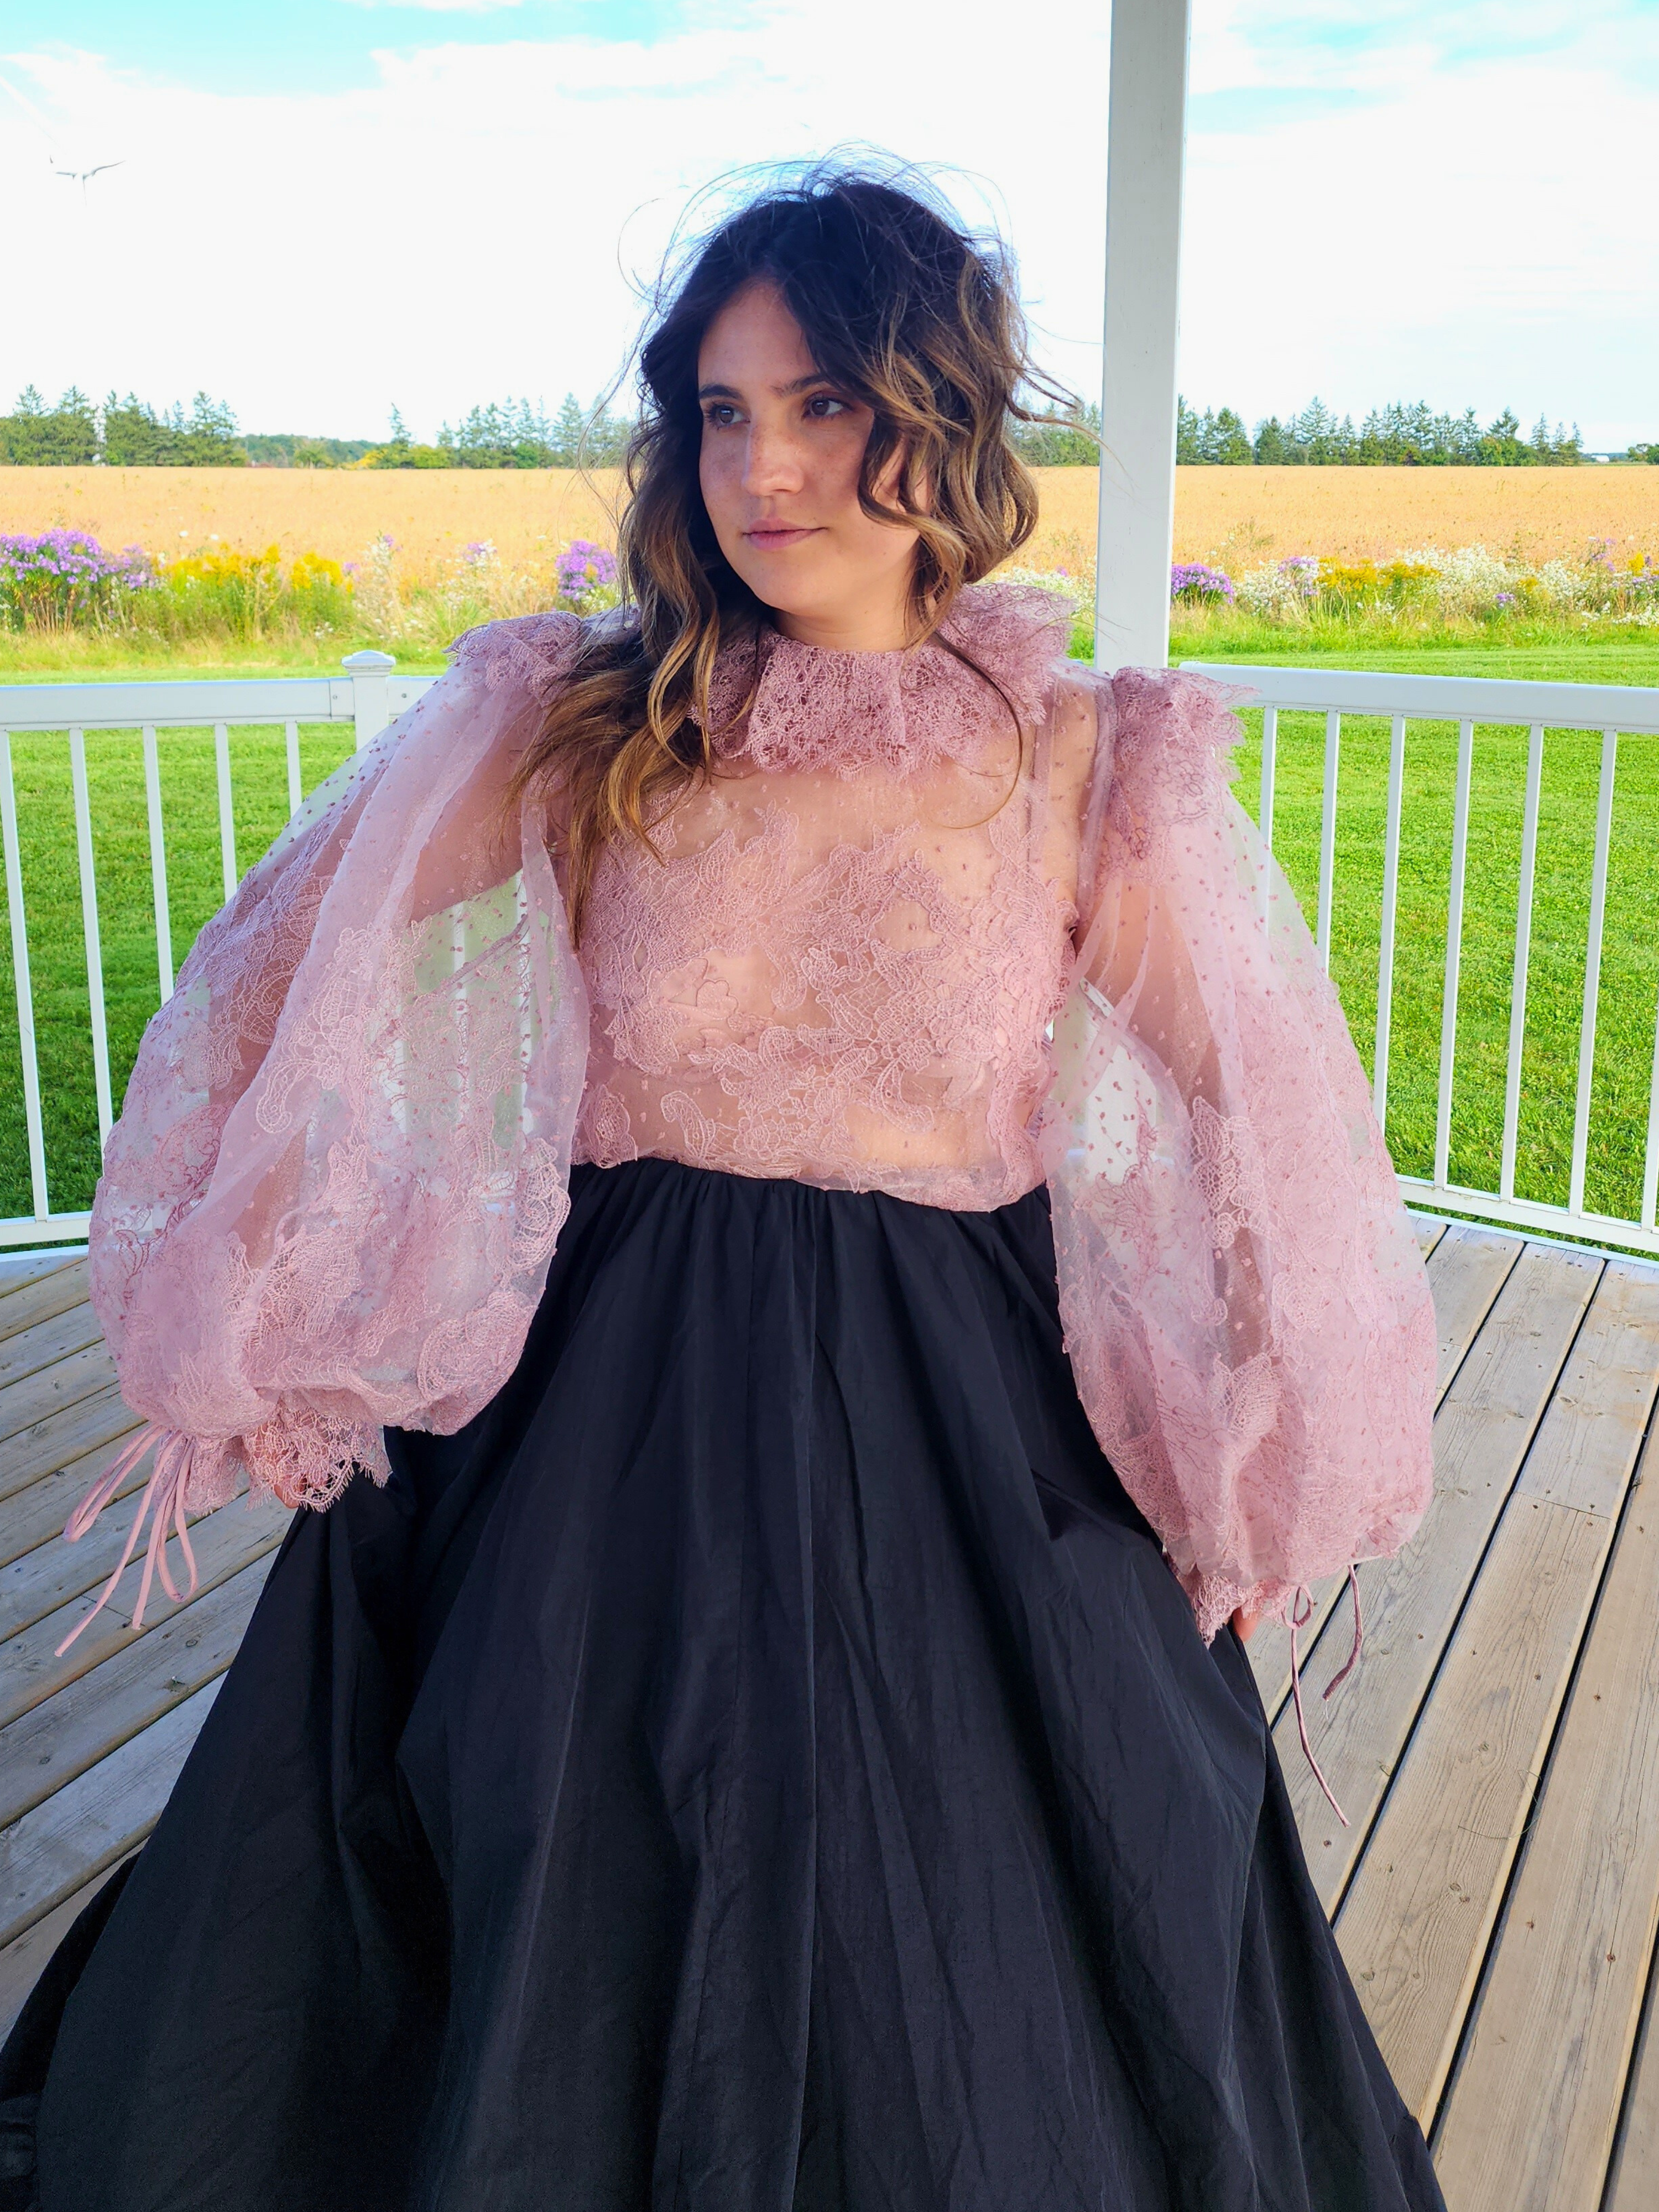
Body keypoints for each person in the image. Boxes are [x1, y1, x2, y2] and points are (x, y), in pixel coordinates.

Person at [0, 161, 1444, 2211]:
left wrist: (1258, 1427)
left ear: (941, 413)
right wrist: (250, 1286)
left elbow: (1257, 1126)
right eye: (723, 407)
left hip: (969, 1410)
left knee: (995, 1870)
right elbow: (276, 978)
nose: (765, 464)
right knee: (548, 1830)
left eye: (826, 403)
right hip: (601, 1400)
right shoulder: (583, 718)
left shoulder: (1080, 760)